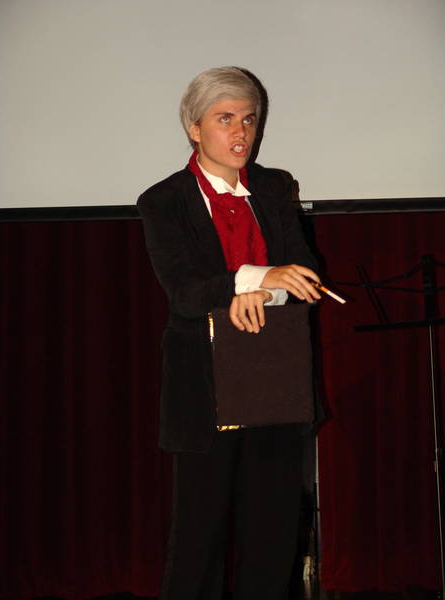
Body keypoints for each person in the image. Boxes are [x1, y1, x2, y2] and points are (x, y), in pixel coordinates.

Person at [137, 66, 321, 600]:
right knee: (199, 542)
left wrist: (264, 293)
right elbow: (185, 293)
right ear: (194, 128)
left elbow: (304, 273)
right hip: (206, 388)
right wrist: (257, 279)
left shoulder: (274, 186)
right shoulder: (163, 201)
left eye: (249, 119)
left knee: (272, 539)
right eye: (225, 119)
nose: (241, 132)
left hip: (277, 382)